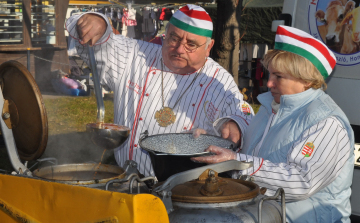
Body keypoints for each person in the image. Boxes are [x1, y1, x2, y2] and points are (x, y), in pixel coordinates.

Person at [65, 5, 253, 177]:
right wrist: (97, 21)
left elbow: (245, 115)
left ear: (208, 47)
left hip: (184, 190)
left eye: (191, 44)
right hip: (125, 177)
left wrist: (235, 123)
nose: (179, 49)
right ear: (166, 33)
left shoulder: (218, 79)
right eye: (174, 38)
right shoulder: (136, 54)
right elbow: (87, 34)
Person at [192, 25, 355, 223]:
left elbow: (302, 182)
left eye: (279, 77)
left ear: (306, 81)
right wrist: (217, 140)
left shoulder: (327, 122)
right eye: (270, 74)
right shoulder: (272, 106)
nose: (269, 83)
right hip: (265, 214)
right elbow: (257, 153)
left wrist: (238, 161)